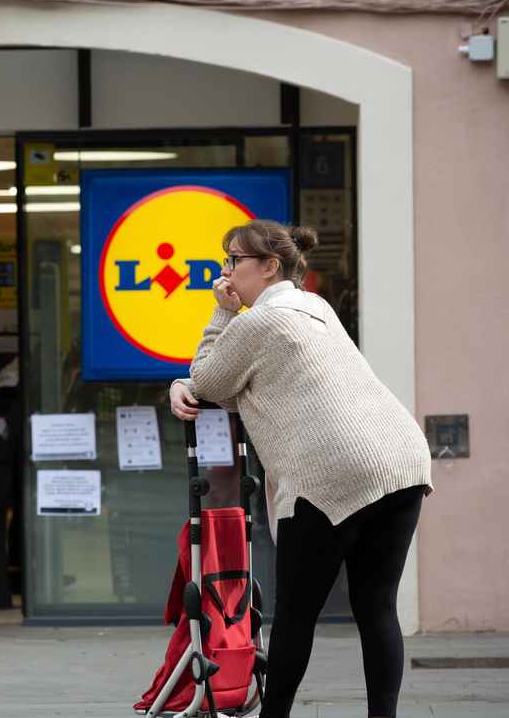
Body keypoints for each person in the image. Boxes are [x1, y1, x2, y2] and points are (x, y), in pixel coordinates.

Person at [167, 220, 432, 718]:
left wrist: (221, 314)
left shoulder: (256, 322)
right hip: (401, 460)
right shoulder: (315, 307)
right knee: (376, 606)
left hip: (333, 470)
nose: (224, 271)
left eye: (233, 260)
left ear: (269, 268)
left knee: (296, 610)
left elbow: (210, 379)